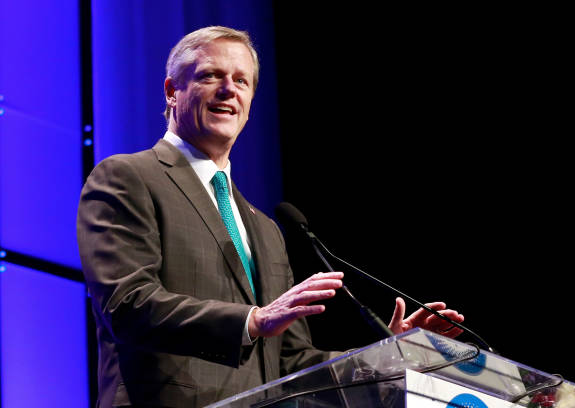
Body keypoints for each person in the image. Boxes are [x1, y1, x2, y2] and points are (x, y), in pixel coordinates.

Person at [77, 26, 465, 407]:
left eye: (241, 81)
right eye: (211, 75)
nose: (228, 90)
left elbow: (290, 364)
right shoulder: (129, 177)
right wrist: (252, 320)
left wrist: (386, 356)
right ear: (172, 92)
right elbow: (127, 305)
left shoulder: (265, 228)